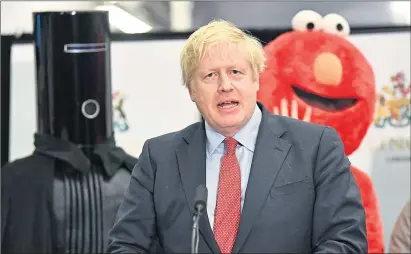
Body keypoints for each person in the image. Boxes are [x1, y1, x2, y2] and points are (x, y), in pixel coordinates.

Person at [107, 19, 367, 253]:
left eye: (236, 72)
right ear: (192, 91)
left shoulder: (317, 147)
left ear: (256, 80)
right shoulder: (158, 157)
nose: (225, 86)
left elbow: (345, 241)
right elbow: (126, 246)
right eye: (210, 75)